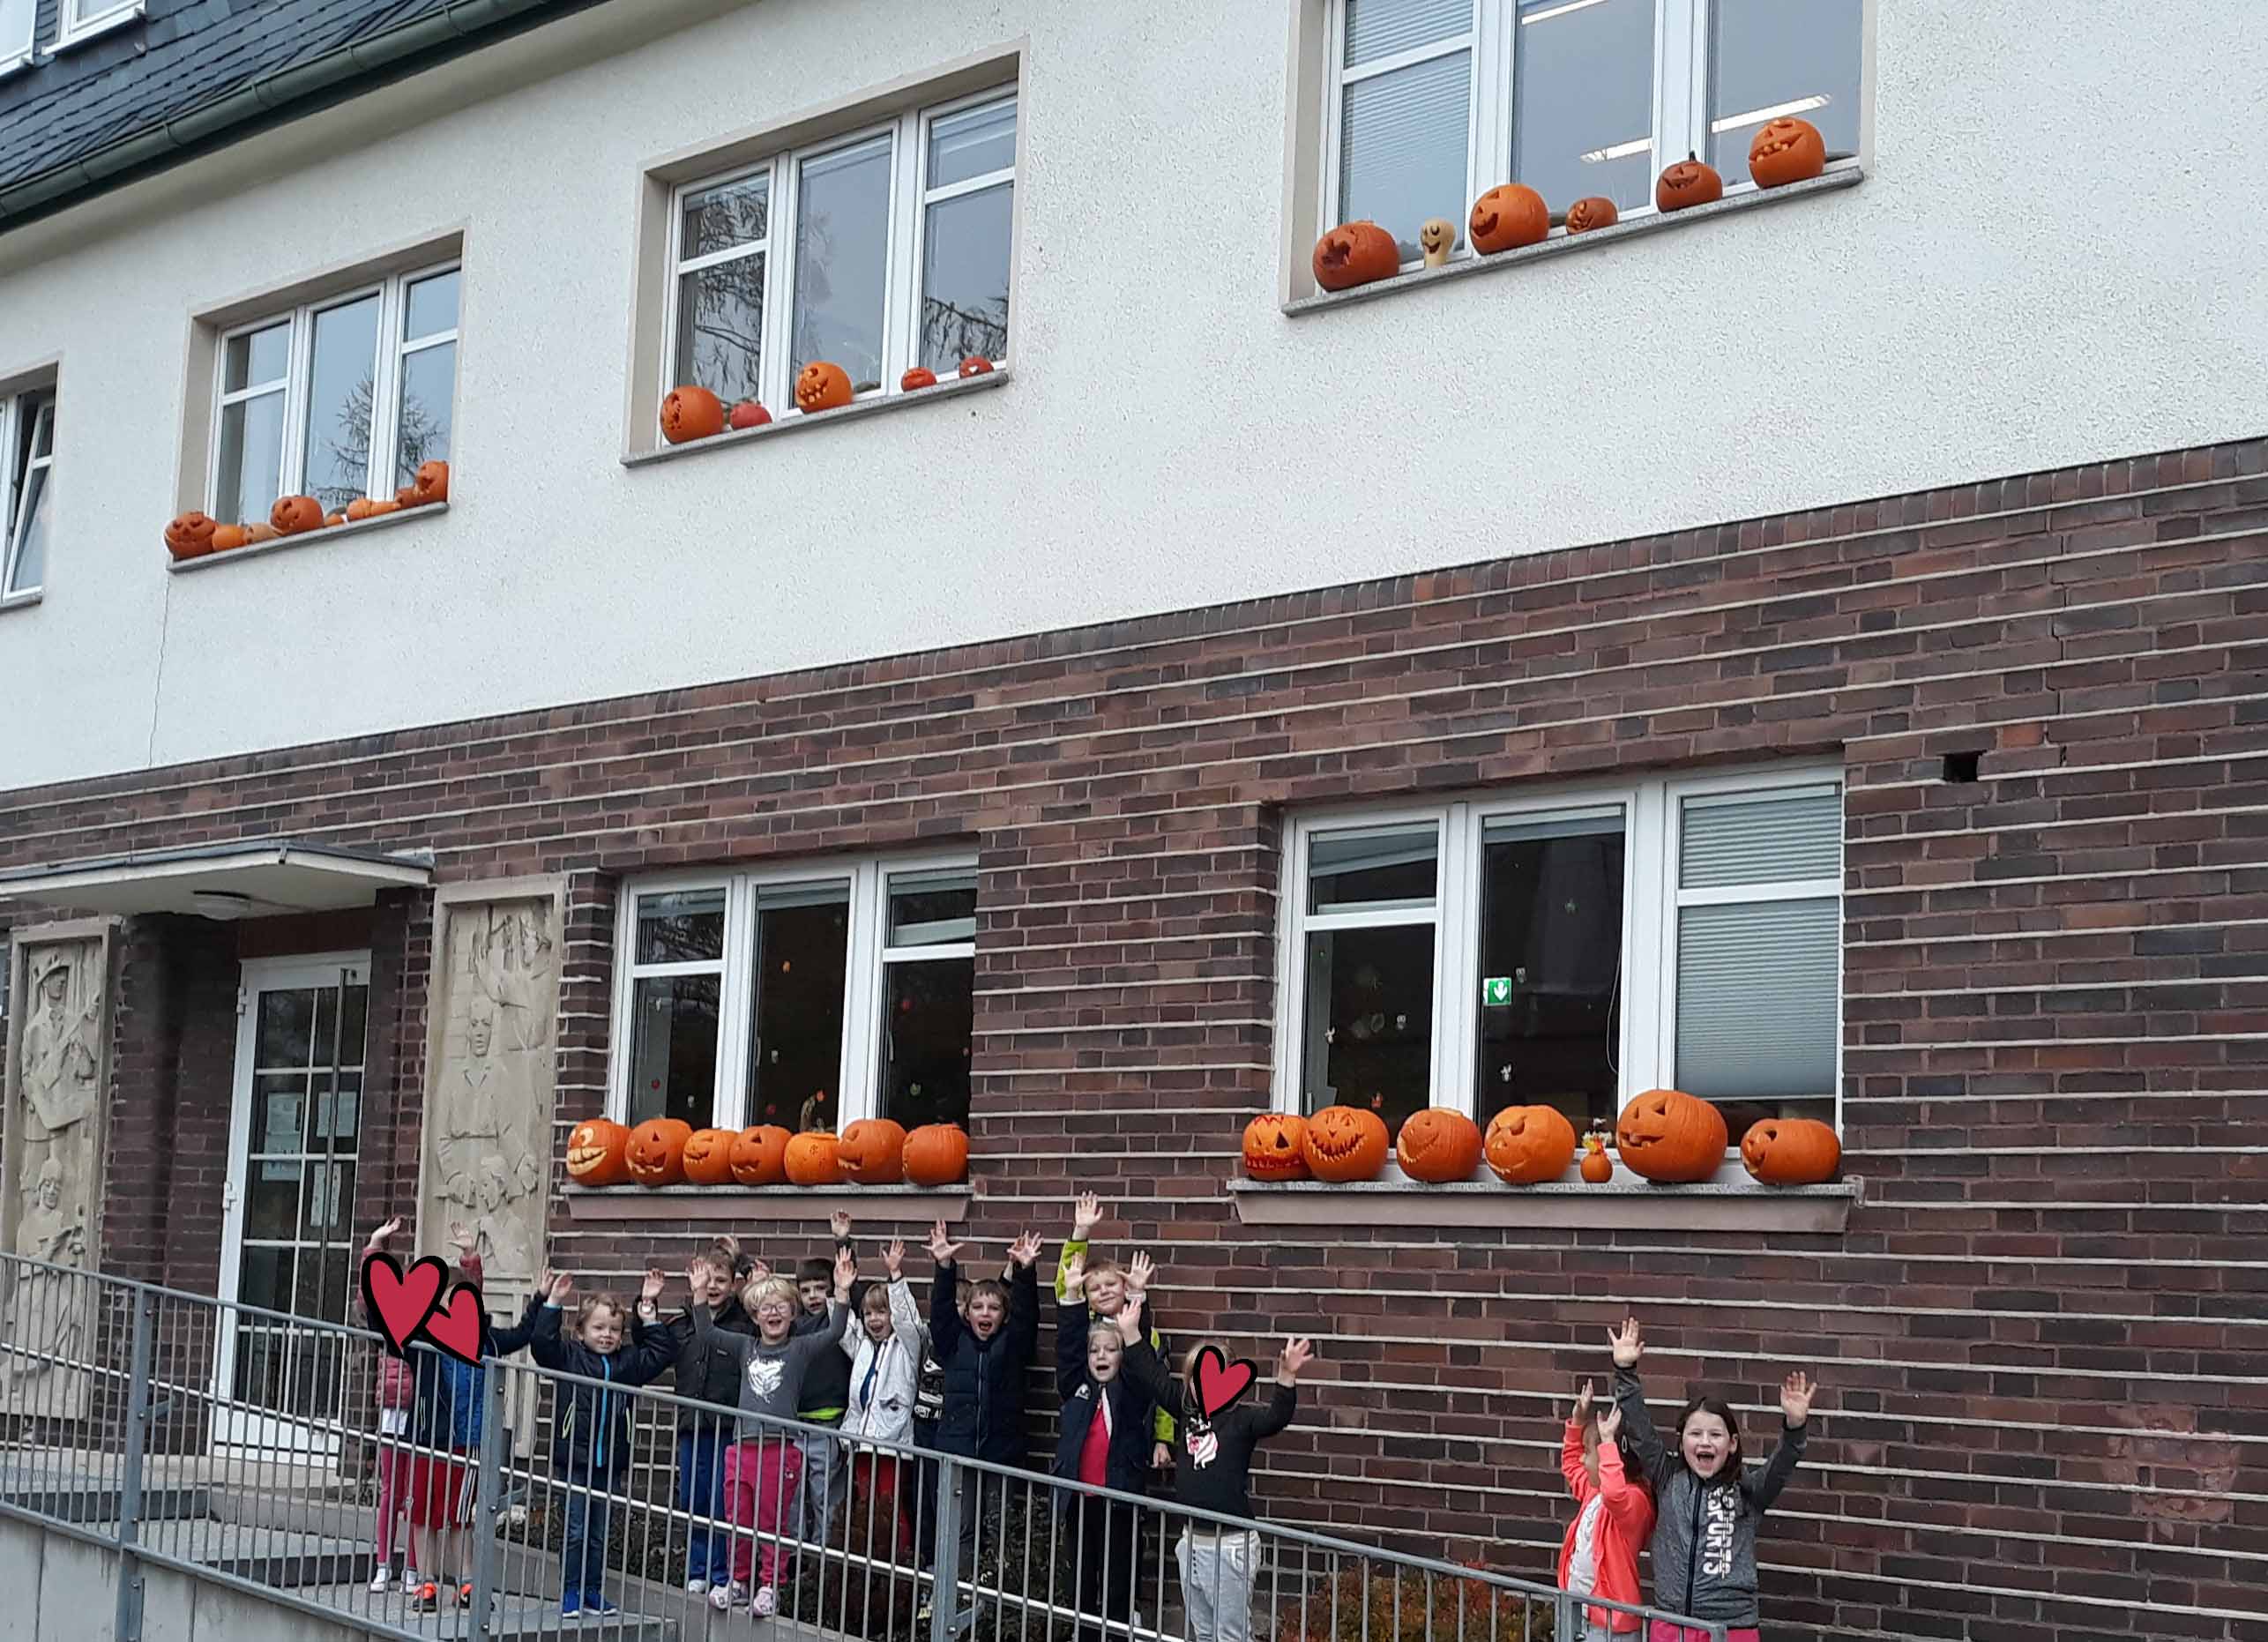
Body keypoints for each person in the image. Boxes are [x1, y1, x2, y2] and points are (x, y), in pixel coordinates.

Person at [360, 1216, 543, 1615]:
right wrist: (374, 1250)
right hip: (428, 1438)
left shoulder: (487, 1340)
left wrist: (542, 1296)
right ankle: (424, 1582)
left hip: (469, 1440)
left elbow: (525, 1332)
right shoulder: (419, 1340)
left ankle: (465, 1582)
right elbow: (376, 1312)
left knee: (460, 1517)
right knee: (423, 1514)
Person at [1608, 1317, 1817, 1642]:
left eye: (1715, 1434)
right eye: (1695, 1433)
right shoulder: (1667, 1477)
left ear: (1731, 1444)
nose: (1705, 1442)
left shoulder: (1749, 1490)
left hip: (1732, 1628)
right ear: (1681, 1441)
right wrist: (1625, 1371)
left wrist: (1794, 1428)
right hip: (1671, 1622)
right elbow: (1639, 1430)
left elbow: (1782, 1465)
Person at [1118, 1295, 1312, 1642]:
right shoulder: (1187, 1413)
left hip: (1231, 1545)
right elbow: (1151, 1377)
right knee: (1204, 1632)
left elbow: (1275, 1418)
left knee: (1231, 1634)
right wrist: (1132, 1335)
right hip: (1193, 1541)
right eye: (1197, 1378)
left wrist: (1286, 1380)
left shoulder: (1243, 1420)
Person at [688, 1246, 858, 1616]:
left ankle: (769, 1585)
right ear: (755, 1315)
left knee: (771, 1522)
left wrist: (842, 1292)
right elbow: (706, 1331)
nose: (774, 1312)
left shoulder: (799, 1350)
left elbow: (836, 1331)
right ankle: (738, 1581)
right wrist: (700, 1292)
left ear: (792, 1313)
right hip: (741, 1447)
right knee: (738, 1520)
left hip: (779, 1449)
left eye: (782, 1306)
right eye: (766, 1307)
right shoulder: (745, 1346)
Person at [529, 1267, 679, 1616]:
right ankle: (570, 1591)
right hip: (575, 1460)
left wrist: (648, 1309)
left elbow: (660, 1354)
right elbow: (541, 1345)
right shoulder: (569, 1356)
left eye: (614, 1329)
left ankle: (592, 1591)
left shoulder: (628, 1361)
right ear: (580, 1332)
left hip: (610, 1460)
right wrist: (552, 1303)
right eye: (598, 1328)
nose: (607, 1335)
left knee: (599, 1532)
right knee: (576, 1530)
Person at [926, 1220, 1042, 1610]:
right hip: (958, 1452)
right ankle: (952, 1602)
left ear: (1003, 1315)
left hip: (1001, 1454)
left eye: (993, 1307)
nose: (985, 1312)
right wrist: (945, 1270)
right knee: (959, 1530)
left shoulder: (1013, 1346)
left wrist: (1026, 1272)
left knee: (998, 1530)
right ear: (968, 1313)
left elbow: (1027, 1318)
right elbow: (940, 1316)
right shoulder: (953, 1343)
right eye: (978, 1306)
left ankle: (993, 1607)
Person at [1055, 1250, 1160, 1642]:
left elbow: (1141, 1360)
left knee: (1117, 1582)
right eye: (1095, 1350)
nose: (1102, 1355)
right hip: (1080, 1500)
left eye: (1110, 1349)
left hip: (1119, 1499)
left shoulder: (1129, 1392)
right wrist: (1071, 1297)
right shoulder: (1076, 1387)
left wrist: (1137, 1299)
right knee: (1080, 1580)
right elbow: (1067, 1350)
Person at [1056, 1193, 1175, 1474]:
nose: (1105, 1290)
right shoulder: (1082, 1324)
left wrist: (1163, 1438)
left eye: (1112, 1284)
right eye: (1095, 1288)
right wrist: (1081, 1232)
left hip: (1128, 1435)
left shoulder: (1146, 1332)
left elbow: (1160, 1387)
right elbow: (1066, 1287)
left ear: (1124, 1288)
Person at [664, 1247, 754, 1596]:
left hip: (726, 1426)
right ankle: (697, 1567)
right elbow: (652, 1346)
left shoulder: (743, 1324)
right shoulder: (682, 1323)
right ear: (694, 1278)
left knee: (722, 1500)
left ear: (734, 1285)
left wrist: (746, 1267)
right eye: (707, 1278)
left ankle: (721, 1571)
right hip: (691, 1423)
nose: (713, 1285)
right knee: (693, 1499)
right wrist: (646, 1311)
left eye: (721, 1279)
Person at [839, 1238, 924, 1556]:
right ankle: (869, 1561)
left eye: (882, 1313)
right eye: (869, 1313)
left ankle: (896, 1561)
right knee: (865, 1506)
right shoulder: (862, 1346)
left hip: (892, 1443)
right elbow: (843, 1325)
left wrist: (896, 1277)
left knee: (890, 1506)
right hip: (860, 1441)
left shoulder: (907, 1347)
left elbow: (908, 1321)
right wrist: (843, 1290)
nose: (875, 1319)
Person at [1558, 1381, 1655, 1640]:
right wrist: (1577, 1421)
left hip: (1612, 1624)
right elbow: (1570, 1465)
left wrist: (1608, 1442)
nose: (1582, 1458)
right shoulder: (1594, 1492)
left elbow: (1615, 1495)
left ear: (1609, 1460)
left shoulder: (1635, 1501)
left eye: (1588, 1452)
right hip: (1578, 1612)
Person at [791, 1213, 860, 1563]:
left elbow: (855, 1294)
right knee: (794, 1495)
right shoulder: (793, 1327)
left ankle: (822, 1560)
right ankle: (794, 1560)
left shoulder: (839, 1321)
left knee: (825, 1496)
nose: (814, 1296)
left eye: (820, 1288)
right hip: (795, 1425)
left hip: (829, 1424)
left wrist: (843, 1243)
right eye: (806, 1290)